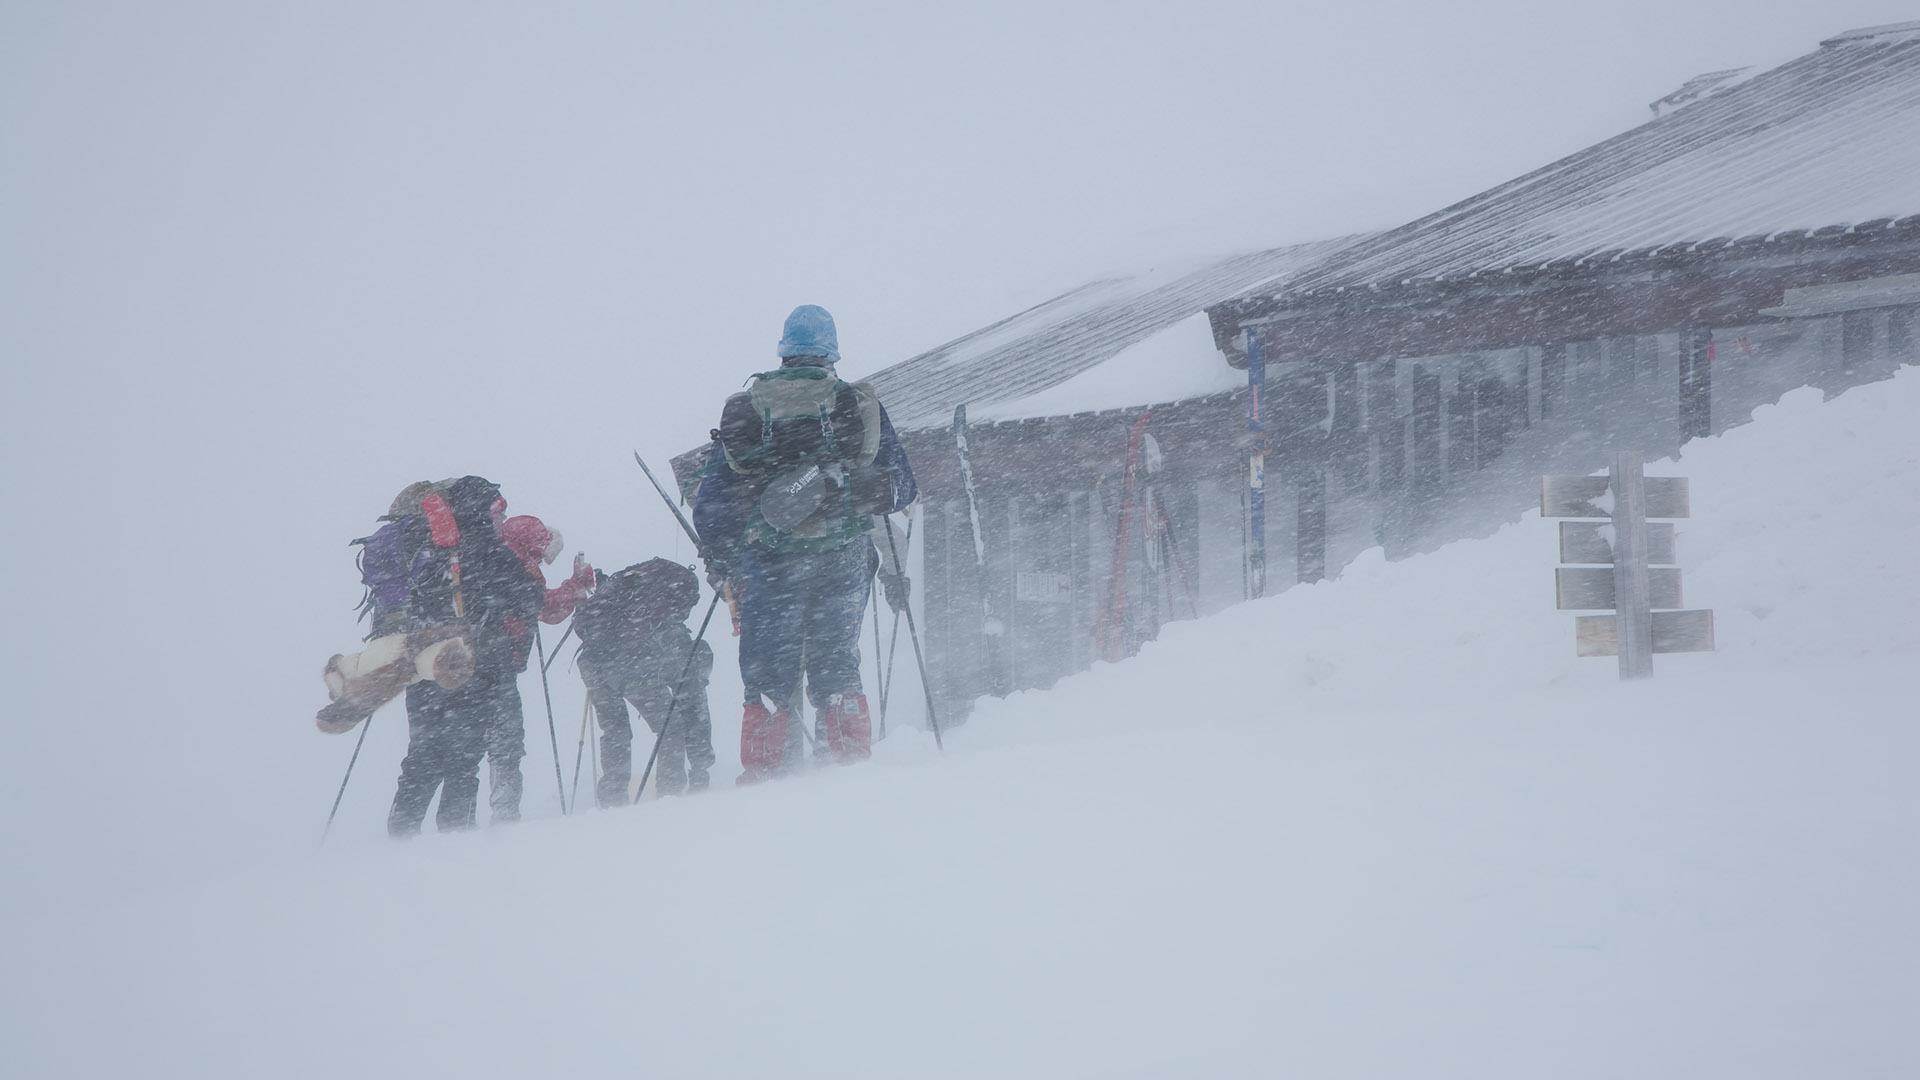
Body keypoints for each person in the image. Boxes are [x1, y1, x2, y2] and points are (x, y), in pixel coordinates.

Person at [692, 304, 916, 784]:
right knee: (837, 667)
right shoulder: (857, 407)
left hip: (769, 563)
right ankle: (849, 770)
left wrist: (728, 562)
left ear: (784, 352)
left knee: (768, 675)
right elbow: (903, 487)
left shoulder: (749, 410)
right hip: (844, 556)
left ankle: (765, 776)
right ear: (831, 353)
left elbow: (711, 508)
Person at [386, 476, 545, 837]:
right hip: (477, 668)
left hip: (425, 668)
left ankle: (398, 836)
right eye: (495, 508)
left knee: (421, 757)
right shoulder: (490, 551)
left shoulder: (426, 548)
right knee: (462, 761)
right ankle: (457, 839)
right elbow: (529, 602)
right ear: (480, 509)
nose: (498, 517)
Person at [573, 558, 715, 804]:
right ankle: (669, 794)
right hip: (630, 666)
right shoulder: (660, 607)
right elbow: (684, 676)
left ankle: (612, 798)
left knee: (615, 731)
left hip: (593, 663)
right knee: (670, 728)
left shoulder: (625, 585)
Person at [491, 514, 595, 821]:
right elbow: (545, 608)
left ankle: (456, 824)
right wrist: (575, 586)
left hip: (471, 661)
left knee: (465, 747)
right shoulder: (517, 564)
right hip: (500, 664)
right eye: (539, 551)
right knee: (506, 743)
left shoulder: (490, 559)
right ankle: (504, 817)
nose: (540, 559)